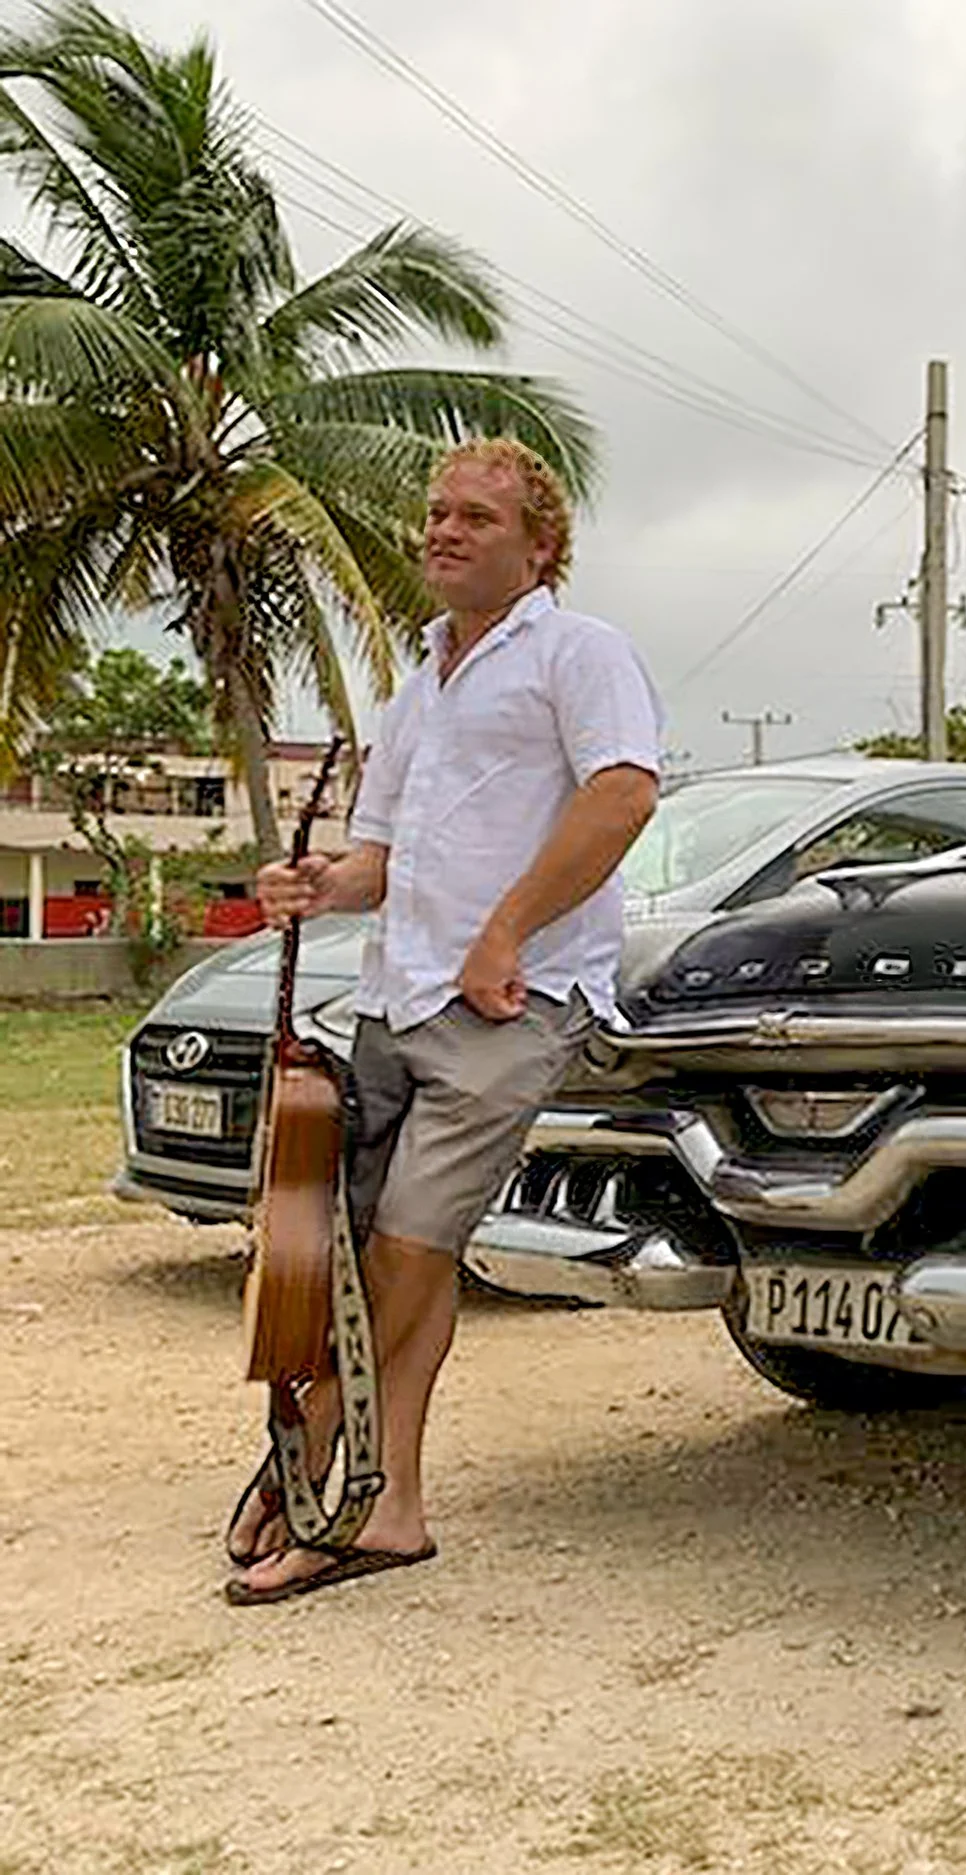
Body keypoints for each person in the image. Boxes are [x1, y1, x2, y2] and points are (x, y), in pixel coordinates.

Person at [224, 438, 662, 1604]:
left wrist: (508, 930)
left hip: (512, 1003)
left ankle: (315, 1465)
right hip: (398, 997)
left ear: (539, 544)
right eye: (436, 513)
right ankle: (392, 1507)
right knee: (392, 1256)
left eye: (476, 515)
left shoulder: (580, 652)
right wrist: (315, 884)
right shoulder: (414, 686)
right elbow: (382, 858)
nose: (445, 530)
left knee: (401, 1249)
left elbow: (623, 792)